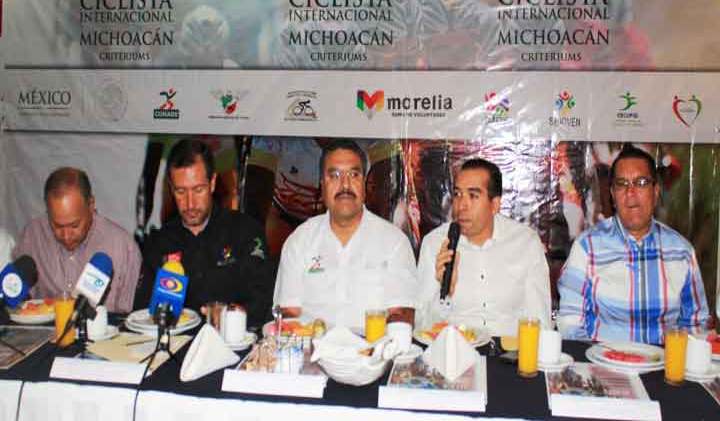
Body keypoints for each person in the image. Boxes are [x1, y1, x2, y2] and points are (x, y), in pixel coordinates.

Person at [557, 146, 710, 343]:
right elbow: (570, 326)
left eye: (641, 183)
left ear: (655, 192)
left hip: (665, 361)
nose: (631, 193)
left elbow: (696, 326)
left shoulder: (681, 252)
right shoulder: (587, 248)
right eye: (622, 184)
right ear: (613, 194)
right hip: (602, 360)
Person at [273, 139, 417, 329]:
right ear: (322, 185)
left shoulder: (394, 242)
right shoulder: (300, 241)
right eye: (334, 175)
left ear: (364, 184)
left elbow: (403, 313)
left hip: (374, 346)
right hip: (312, 345)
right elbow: (288, 313)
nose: (345, 185)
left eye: (354, 174)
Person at [136, 139, 274, 328]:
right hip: (175, 343)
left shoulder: (245, 231)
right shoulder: (159, 243)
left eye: (198, 190)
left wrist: (228, 316)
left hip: (233, 341)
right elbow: (143, 312)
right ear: (171, 188)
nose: (190, 203)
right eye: (181, 191)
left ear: (213, 183)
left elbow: (262, 304)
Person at [417, 159, 551, 336]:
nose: (461, 205)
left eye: (473, 196)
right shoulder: (435, 244)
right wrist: (445, 293)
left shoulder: (526, 243)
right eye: (457, 194)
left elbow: (540, 322)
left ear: (494, 205)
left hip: (510, 348)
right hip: (454, 347)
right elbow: (421, 325)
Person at [12, 168, 141, 312]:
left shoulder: (123, 247)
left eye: (74, 225)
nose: (66, 236)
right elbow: (20, 303)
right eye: (57, 226)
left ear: (91, 205)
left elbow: (131, 318)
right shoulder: (32, 236)